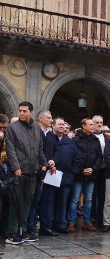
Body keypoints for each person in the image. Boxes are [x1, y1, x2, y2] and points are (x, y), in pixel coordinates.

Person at [5, 102, 49, 245]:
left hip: (33, 170)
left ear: (31, 112)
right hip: (18, 171)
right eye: (20, 111)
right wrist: (16, 168)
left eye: (24, 111)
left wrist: (44, 164)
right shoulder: (12, 128)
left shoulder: (36, 127)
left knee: (28, 202)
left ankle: (22, 231)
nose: (21, 113)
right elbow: (10, 150)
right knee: (16, 202)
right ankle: (11, 233)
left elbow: (40, 149)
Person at [27, 110, 60, 237]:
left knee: (47, 200)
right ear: (40, 118)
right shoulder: (34, 132)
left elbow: (57, 150)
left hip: (49, 173)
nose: (51, 120)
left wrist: (53, 161)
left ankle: (46, 227)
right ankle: (30, 227)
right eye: (49, 117)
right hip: (38, 171)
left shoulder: (52, 135)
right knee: (34, 200)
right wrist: (44, 163)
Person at [68, 118, 103, 232]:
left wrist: (93, 169)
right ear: (83, 126)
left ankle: (87, 222)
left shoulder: (95, 140)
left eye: (93, 124)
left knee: (88, 199)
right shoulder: (76, 139)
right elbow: (73, 156)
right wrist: (82, 170)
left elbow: (99, 157)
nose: (93, 126)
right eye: (90, 124)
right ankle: (71, 222)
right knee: (74, 199)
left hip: (91, 175)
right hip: (79, 174)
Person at [52, 117, 82, 234]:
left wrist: (73, 171)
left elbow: (78, 158)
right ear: (53, 125)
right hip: (50, 176)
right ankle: (48, 224)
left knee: (62, 202)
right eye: (59, 124)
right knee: (49, 201)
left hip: (66, 177)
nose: (62, 126)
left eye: (63, 124)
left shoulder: (70, 142)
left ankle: (61, 224)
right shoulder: (49, 139)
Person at [91, 115, 105, 228]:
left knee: (102, 194)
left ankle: (100, 217)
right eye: (97, 122)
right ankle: (92, 215)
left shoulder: (105, 137)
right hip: (91, 168)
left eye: (101, 122)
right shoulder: (90, 136)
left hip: (104, 168)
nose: (99, 124)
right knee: (91, 194)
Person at [0, 114, 9, 239]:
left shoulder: (9, 137)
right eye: (0, 128)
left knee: (7, 201)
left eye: (4, 128)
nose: (2, 131)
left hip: (4, 174)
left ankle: (4, 228)